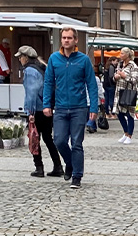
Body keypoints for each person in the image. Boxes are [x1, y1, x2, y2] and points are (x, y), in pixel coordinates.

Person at [43, 26, 98, 189]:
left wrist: (93, 108)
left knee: (76, 143)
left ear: (75, 40)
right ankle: (70, 162)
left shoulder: (83, 60)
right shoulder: (54, 59)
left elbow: (92, 85)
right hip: (60, 107)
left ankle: (77, 176)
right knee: (58, 140)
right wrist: (47, 104)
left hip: (79, 107)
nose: (66, 40)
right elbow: (48, 83)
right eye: (64, 38)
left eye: (69, 38)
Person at [16, 45, 63, 178]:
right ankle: (58, 166)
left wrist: (30, 113)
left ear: (25, 57)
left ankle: (39, 167)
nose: (19, 59)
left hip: (37, 109)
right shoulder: (42, 67)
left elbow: (31, 93)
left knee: (34, 138)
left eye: (20, 57)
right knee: (48, 138)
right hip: (46, 108)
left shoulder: (30, 71)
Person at [113, 47, 138, 144]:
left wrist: (125, 76)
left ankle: (129, 135)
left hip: (129, 93)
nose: (120, 55)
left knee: (129, 114)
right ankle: (125, 132)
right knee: (119, 113)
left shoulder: (133, 66)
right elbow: (115, 77)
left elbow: (136, 80)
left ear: (127, 55)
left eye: (122, 53)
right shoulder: (120, 64)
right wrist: (115, 77)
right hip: (119, 92)